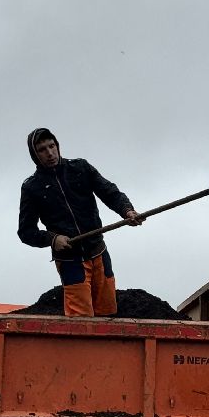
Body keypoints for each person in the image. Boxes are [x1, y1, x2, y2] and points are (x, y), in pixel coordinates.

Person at [18, 127, 142, 316]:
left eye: (52, 146)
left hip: (98, 252)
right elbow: (26, 232)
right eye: (42, 150)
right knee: (80, 320)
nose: (50, 153)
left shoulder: (80, 168)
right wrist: (53, 239)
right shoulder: (31, 187)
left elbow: (109, 192)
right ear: (35, 155)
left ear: (57, 146)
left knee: (107, 313)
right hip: (70, 260)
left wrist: (127, 210)